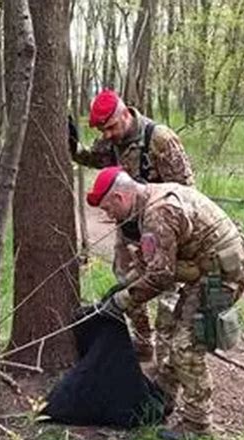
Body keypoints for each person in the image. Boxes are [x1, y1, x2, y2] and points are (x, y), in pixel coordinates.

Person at [86, 166, 244, 440]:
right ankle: (162, 397)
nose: (109, 216)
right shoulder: (149, 202)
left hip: (223, 274)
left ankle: (198, 424)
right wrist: (125, 284)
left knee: (186, 346)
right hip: (205, 270)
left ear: (119, 197)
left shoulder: (157, 213)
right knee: (175, 330)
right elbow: (152, 262)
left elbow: (161, 277)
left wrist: (122, 300)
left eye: (108, 209)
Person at [70, 89, 195, 362]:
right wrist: (74, 148)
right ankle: (143, 341)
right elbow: (95, 158)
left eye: (111, 127)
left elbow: (186, 193)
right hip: (128, 231)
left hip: (163, 232)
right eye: (103, 130)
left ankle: (166, 363)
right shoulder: (110, 141)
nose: (107, 135)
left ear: (125, 113)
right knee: (128, 286)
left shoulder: (160, 140)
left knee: (166, 293)